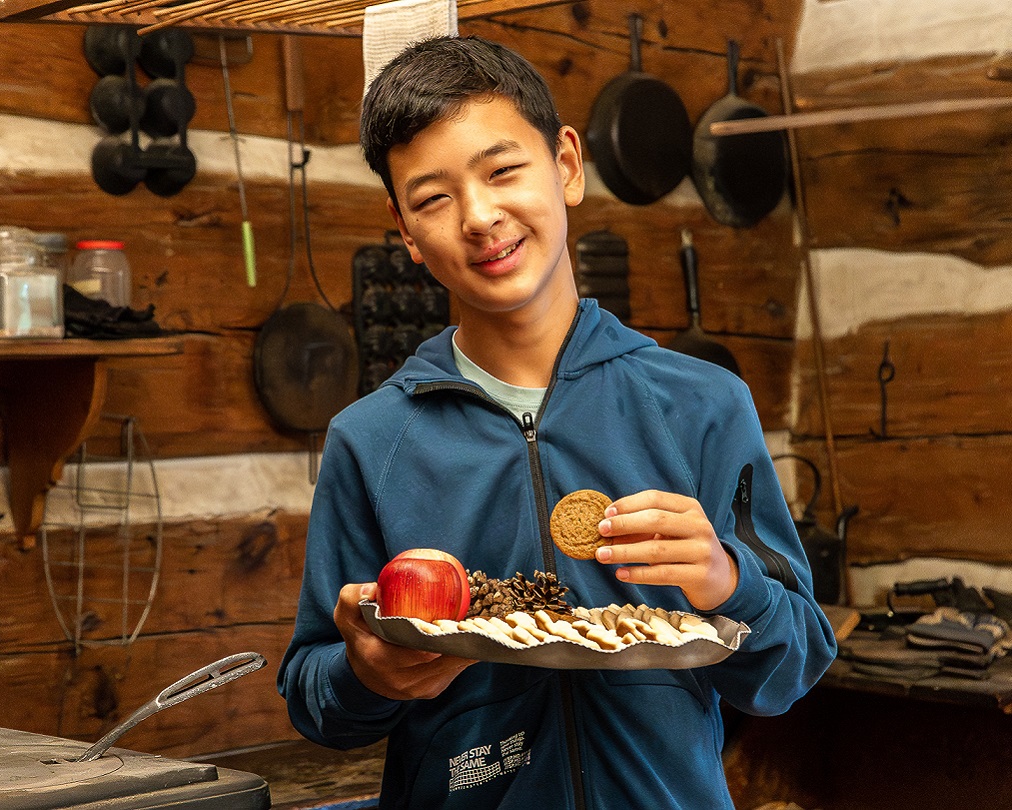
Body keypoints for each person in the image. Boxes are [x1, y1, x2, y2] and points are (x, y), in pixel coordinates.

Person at [278, 35, 836, 810]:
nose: (479, 216)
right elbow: (313, 698)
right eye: (433, 198)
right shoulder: (372, 441)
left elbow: (794, 666)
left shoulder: (703, 405)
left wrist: (726, 581)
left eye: (503, 170)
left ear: (567, 165)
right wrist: (362, 672)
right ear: (404, 230)